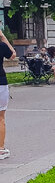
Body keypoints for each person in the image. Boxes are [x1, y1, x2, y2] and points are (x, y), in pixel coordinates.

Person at [0, 27, 13, 159]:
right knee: (1, 117)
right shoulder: (2, 45)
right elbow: (12, 55)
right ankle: (1, 148)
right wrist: (3, 37)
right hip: (0, 82)